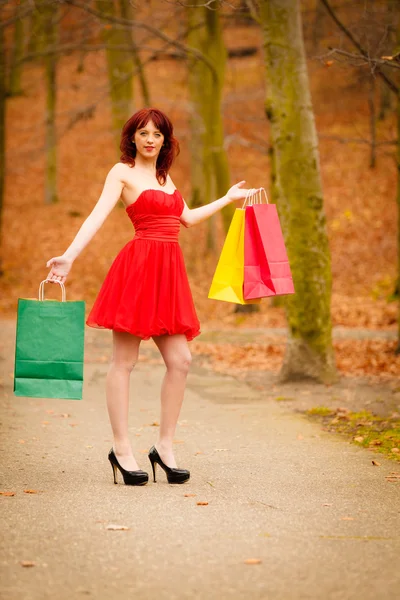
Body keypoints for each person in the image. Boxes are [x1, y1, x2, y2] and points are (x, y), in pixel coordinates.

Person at [46, 107, 258, 487]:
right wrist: (68, 257)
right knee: (124, 362)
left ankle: (164, 448)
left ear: (165, 140)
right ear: (132, 138)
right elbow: (95, 216)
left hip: (169, 274)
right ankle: (122, 448)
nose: (149, 139)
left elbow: (187, 219)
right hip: (139, 269)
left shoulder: (165, 177)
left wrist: (227, 199)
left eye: (156, 134)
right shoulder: (122, 172)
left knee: (181, 360)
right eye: (142, 133)